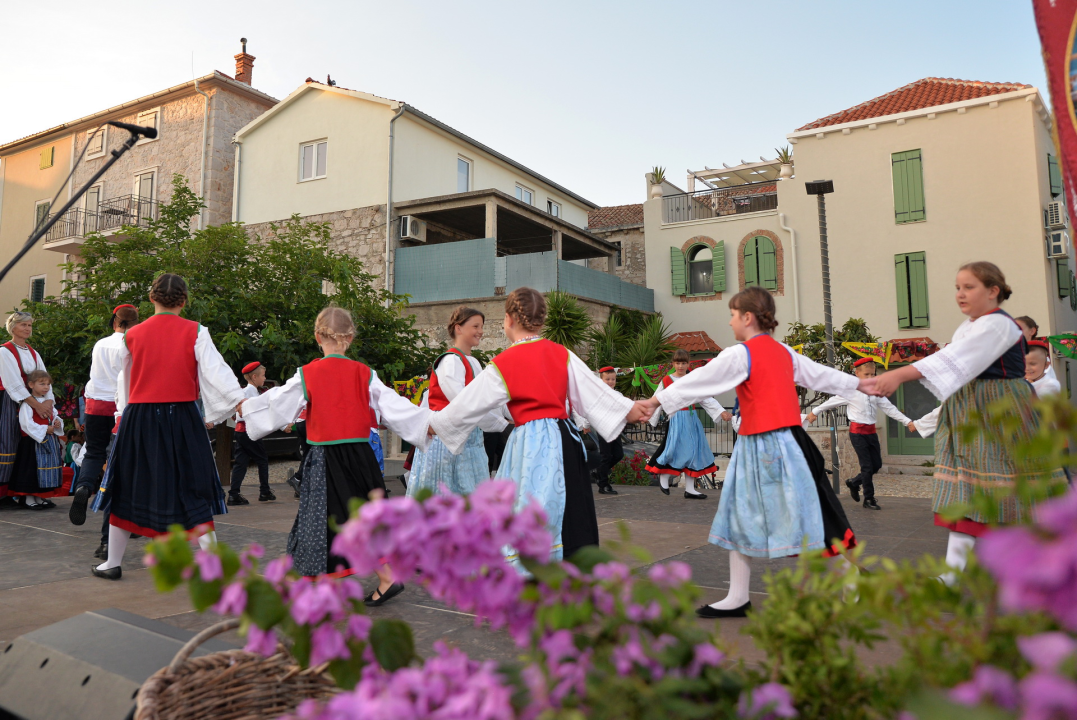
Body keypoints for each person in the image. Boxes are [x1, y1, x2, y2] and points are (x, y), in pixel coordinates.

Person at [639, 287, 863, 618]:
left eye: (732, 315)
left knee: (775, 512)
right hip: (788, 444)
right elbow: (824, 376)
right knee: (773, 512)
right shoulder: (785, 352)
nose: (729, 322)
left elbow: (701, 380)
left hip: (766, 445)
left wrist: (655, 401)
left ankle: (842, 575)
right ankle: (738, 595)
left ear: (748, 317)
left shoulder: (740, 354)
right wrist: (863, 385)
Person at [865, 262, 1068, 585]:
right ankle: (954, 574)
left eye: (968, 287)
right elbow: (955, 366)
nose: (960, 294)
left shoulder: (1000, 325)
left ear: (993, 291)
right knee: (967, 493)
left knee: (1004, 494)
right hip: (969, 411)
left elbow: (954, 359)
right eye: (957, 287)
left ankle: (1036, 570)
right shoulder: (970, 325)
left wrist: (900, 374)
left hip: (998, 411)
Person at [428, 288, 647, 565]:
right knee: (570, 504)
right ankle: (573, 565)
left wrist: (432, 424)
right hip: (563, 437)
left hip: (530, 443)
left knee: (531, 502)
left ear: (508, 320)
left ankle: (533, 566)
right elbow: (592, 393)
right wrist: (630, 409)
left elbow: (465, 406)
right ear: (542, 322)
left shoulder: (502, 363)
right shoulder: (561, 353)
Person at [238, 307, 433, 605]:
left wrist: (246, 408)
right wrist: (424, 423)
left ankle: (326, 585)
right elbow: (393, 406)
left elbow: (277, 404)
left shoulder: (308, 374)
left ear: (317, 337)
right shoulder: (365, 374)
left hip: (326, 457)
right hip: (360, 455)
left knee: (325, 519)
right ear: (351, 338)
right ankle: (381, 577)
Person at [90, 274, 246, 580]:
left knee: (127, 485)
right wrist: (239, 402)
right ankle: (213, 566)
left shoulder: (131, 336)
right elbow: (218, 374)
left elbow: (125, 381)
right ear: (185, 300)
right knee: (193, 486)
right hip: (183, 417)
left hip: (139, 419)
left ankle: (112, 563)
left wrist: (122, 414)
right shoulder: (196, 331)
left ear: (151, 298)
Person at [408, 306, 507, 498]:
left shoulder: (473, 362)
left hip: (469, 440)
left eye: (481, 326)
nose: (481, 331)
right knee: (446, 495)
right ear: (458, 328)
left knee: (467, 496)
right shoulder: (451, 361)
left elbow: (485, 400)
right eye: (475, 326)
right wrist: (499, 423)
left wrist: (504, 418)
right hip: (446, 441)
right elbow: (461, 401)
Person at [805, 357, 916, 511]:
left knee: (876, 464)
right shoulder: (851, 391)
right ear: (857, 373)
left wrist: (907, 422)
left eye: (872, 374)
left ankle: (854, 482)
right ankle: (869, 498)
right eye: (866, 375)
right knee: (867, 466)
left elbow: (889, 408)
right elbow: (832, 401)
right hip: (857, 433)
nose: (870, 378)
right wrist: (814, 412)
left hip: (871, 432)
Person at [69, 304, 139, 526]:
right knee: (126, 458)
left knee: (94, 452)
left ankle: (84, 486)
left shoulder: (100, 344)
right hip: (123, 406)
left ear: (115, 322)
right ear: (135, 323)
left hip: (96, 404)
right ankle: (122, 510)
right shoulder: (134, 344)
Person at [645, 349, 728, 500]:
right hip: (676, 418)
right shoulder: (667, 380)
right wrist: (648, 415)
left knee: (694, 451)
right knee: (674, 450)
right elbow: (656, 399)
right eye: (678, 363)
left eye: (683, 363)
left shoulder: (693, 380)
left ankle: (690, 489)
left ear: (688, 364)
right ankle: (663, 477)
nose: (680, 366)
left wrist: (721, 411)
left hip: (691, 419)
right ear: (673, 363)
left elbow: (705, 398)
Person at [0, 312, 52, 500]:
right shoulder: (4, 351)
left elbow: (45, 378)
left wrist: (48, 402)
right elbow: (12, 383)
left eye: (29, 325)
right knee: (8, 442)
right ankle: (4, 492)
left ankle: (22, 491)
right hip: (9, 401)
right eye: (23, 325)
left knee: (29, 445)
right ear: (13, 327)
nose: (28, 329)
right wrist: (36, 405)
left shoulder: (32, 352)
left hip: (32, 401)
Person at [9, 369, 67, 508]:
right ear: (31, 384)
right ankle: (29, 499)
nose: (46, 387)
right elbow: (25, 423)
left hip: (48, 441)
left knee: (45, 470)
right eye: (42, 384)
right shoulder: (28, 403)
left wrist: (57, 423)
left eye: (47, 384)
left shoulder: (48, 403)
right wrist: (44, 429)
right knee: (32, 470)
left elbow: (54, 416)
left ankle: (39, 496)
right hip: (33, 443)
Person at [228, 361, 274, 505]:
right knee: (262, 460)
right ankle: (264, 491)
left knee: (241, 463)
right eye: (262, 376)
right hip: (249, 431)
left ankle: (233, 494)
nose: (264, 379)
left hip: (241, 431)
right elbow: (243, 414)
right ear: (254, 377)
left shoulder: (250, 391)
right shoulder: (249, 393)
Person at [592, 367, 624, 495]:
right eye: (607, 379)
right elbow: (591, 410)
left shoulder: (618, 395)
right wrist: (585, 424)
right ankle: (603, 485)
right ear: (601, 380)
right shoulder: (598, 396)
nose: (610, 382)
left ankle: (599, 472)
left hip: (615, 428)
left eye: (613, 379)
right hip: (603, 427)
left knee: (618, 454)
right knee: (606, 456)